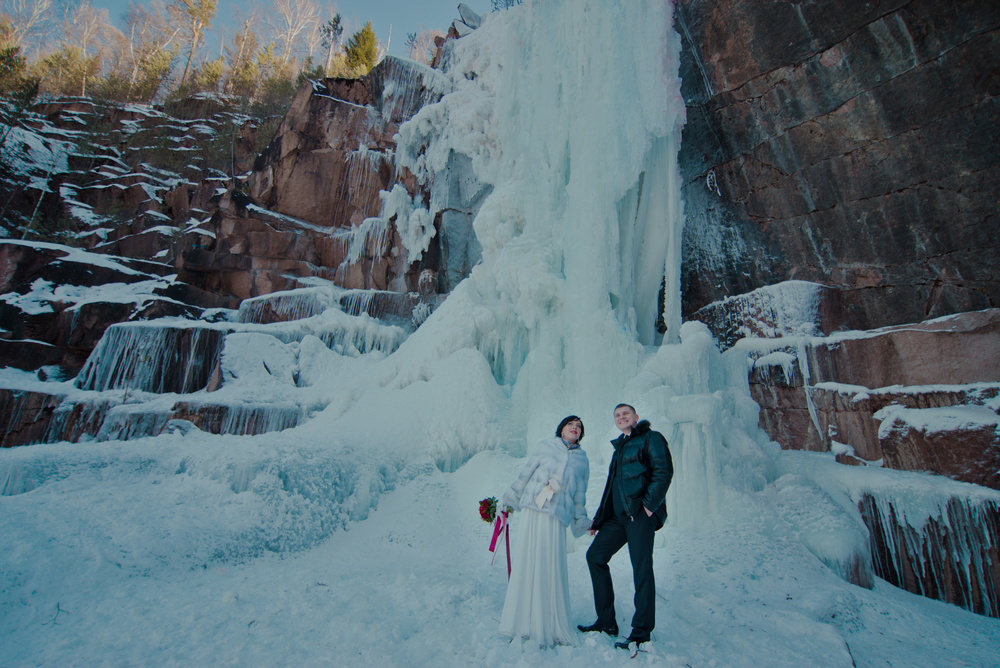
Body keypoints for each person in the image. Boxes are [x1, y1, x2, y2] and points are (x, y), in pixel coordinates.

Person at [578, 403, 673, 650]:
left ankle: (641, 633)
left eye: (625, 414)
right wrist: (599, 521)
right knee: (595, 556)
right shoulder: (619, 447)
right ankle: (607, 622)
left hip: (640, 515)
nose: (621, 417)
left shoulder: (651, 438)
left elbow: (663, 472)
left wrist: (649, 507)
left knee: (641, 570)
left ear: (636, 417)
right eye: (617, 415)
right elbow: (611, 489)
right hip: (619, 518)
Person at [499, 415, 592, 647]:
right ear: (561, 429)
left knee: (550, 563)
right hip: (535, 508)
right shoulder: (544, 446)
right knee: (529, 560)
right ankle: (521, 622)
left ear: (581, 434)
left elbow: (580, 495)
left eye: (578, 426)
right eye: (570, 424)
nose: (574, 428)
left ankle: (550, 623)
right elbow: (526, 474)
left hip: (557, 516)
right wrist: (511, 499)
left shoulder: (582, 460)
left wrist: (582, 522)